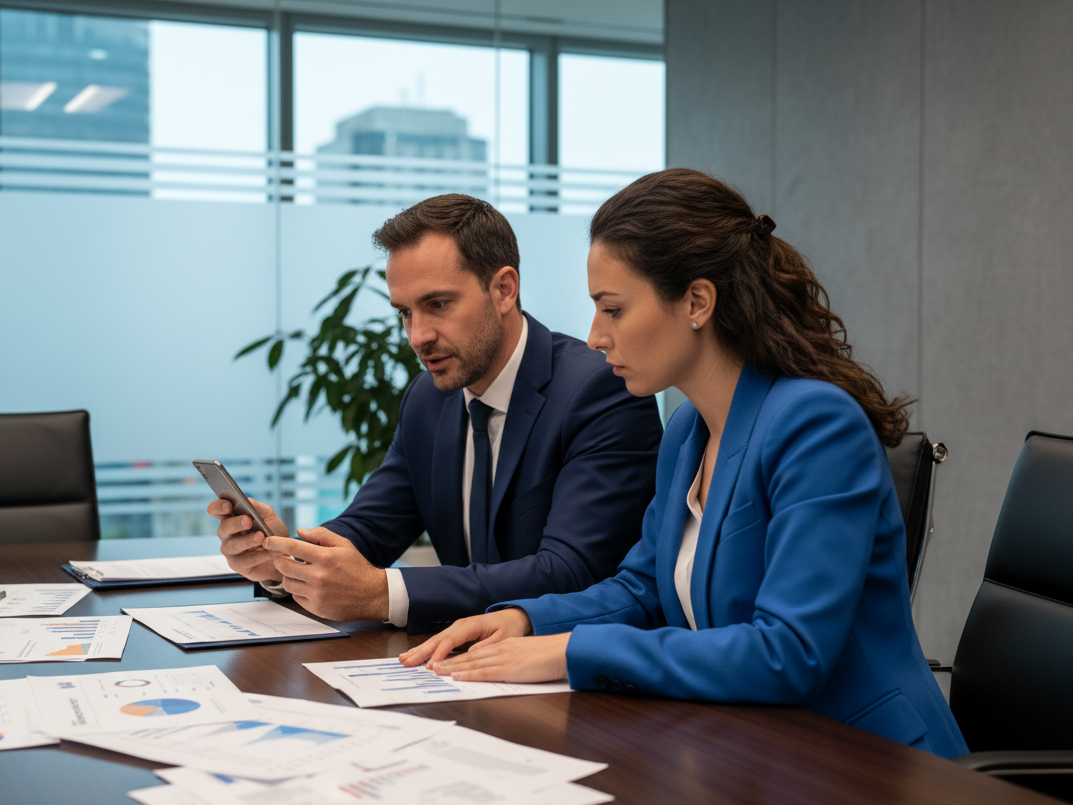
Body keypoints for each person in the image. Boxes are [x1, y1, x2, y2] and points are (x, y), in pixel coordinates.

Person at [401, 169, 969, 758]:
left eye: (613, 310)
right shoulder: (687, 432)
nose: (595, 337)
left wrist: (571, 651)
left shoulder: (817, 426)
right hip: (758, 753)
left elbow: (788, 652)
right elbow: (643, 587)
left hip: (872, 765)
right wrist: (525, 621)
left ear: (696, 301)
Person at [210, 194, 663, 633]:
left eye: (438, 305)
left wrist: (383, 594)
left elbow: (570, 573)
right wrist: (283, 558)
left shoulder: (601, 390)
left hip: (578, 678)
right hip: (461, 671)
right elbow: (368, 528)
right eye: (405, 313)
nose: (417, 336)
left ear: (504, 289)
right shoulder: (428, 399)